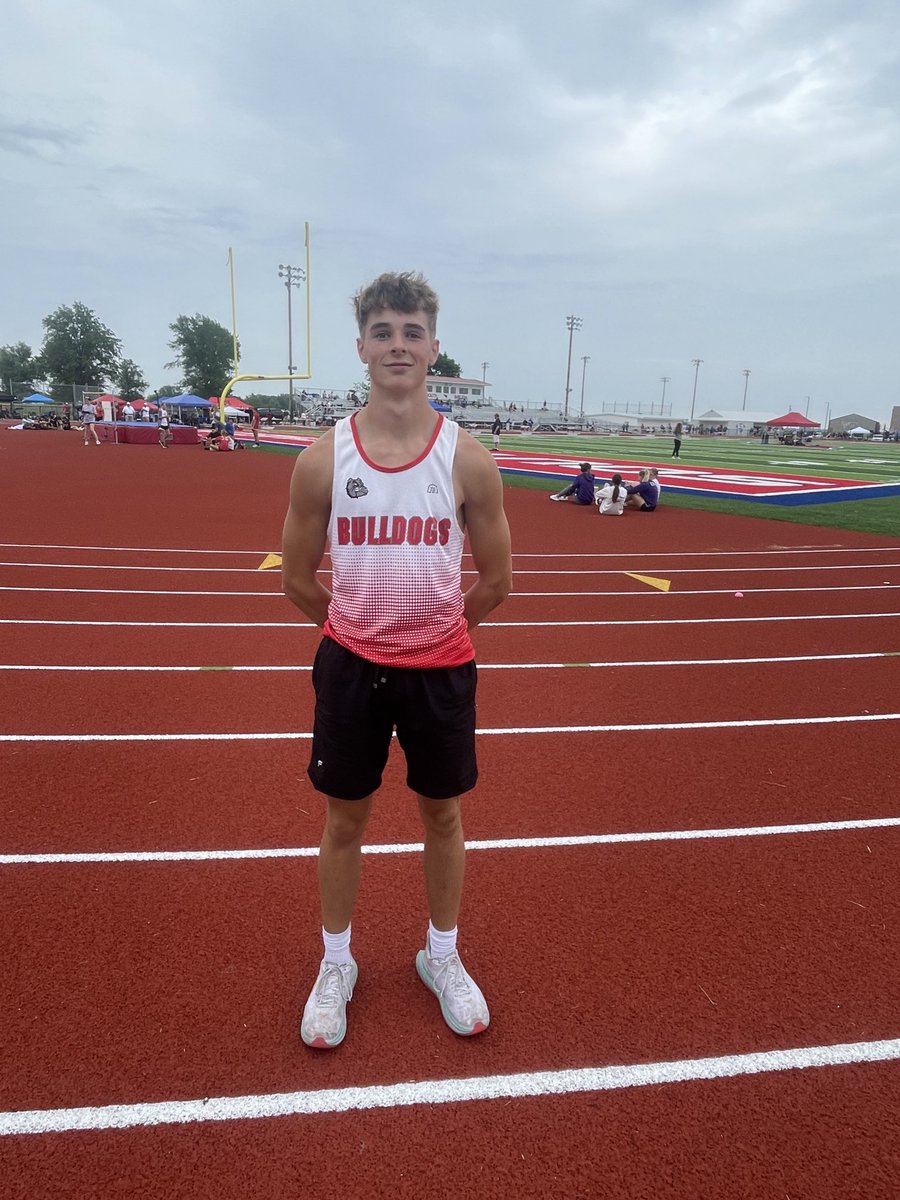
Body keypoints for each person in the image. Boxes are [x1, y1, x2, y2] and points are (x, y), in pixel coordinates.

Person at [282, 270, 512, 1050]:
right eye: (383, 332)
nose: (398, 345)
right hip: (351, 669)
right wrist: (357, 630)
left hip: (441, 670)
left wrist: (433, 632)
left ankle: (439, 955)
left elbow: (499, 580)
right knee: (344, 821)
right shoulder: (321, 460)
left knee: (442, 815)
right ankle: (336, 964)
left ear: (434, 348)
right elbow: (294, 578)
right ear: (361, 348)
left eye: (412, 332)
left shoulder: (469, 460)